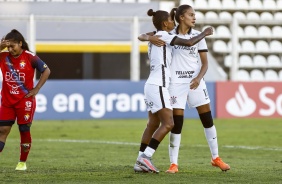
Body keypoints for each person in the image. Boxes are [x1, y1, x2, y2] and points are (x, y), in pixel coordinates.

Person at [134, 9, 213, 173]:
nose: (174, 23)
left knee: (153, 123)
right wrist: (205, 32)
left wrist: (148, 37)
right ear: (165, 23)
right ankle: (145, 157)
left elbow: (141, 36)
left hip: (151, 84)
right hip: (159, 85)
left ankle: (140, 159)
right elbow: (190, 43)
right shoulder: (164, 36)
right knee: (169, 123)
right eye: (171, 20)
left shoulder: (157, 34)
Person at [0, 29, 51, 171]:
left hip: (24, 101)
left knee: (23, 129)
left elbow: (46, 70)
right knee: (2, 129)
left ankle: (22, 162)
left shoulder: (30, 57)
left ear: (20, 43)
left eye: (12, 46)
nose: (10, 49)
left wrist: (37, 88)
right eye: (8, 46)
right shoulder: (3, 56)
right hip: (7, 101)